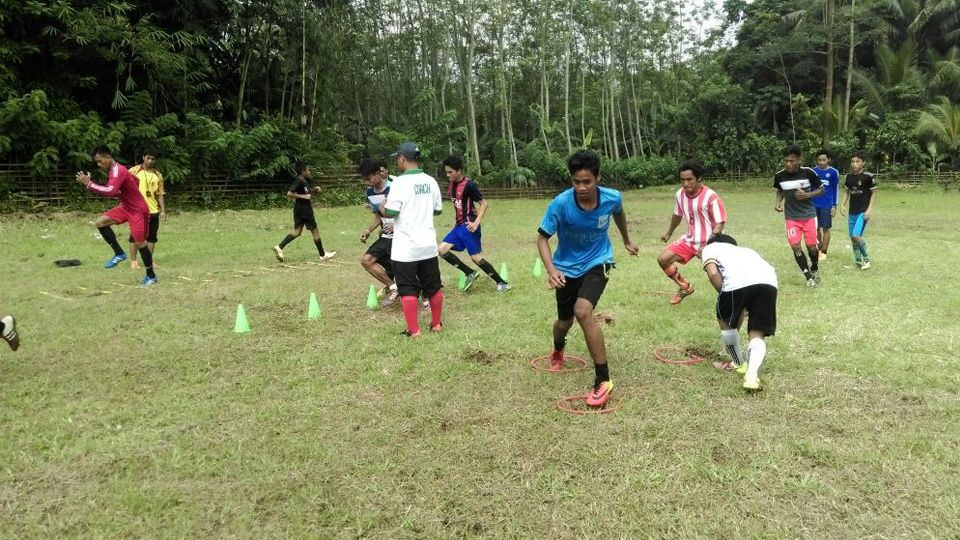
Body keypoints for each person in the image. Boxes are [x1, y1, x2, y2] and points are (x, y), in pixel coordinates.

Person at [536, 150, 639, 408]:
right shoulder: (560, 204)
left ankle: (603, 380)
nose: (581, 187)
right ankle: (558, 349)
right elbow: (541, 238)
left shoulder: (612, 197)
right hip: (566, 268)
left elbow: (619, 212)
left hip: (598, 260)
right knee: (564, 321)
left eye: (587, 182)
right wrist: (551, 270)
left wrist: (626, 240)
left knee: (583, 312)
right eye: (576, 182)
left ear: (597, 178)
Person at [381, 142, 444, 337]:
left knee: (407, 288)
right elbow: (438, 210)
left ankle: (414, 330)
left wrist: (382, 206)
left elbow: (391, 211)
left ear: (402, 158)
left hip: (406, 247)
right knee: (433, 286)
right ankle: (436, 324)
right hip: (428, 245)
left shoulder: (399, 183)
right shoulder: (431, 181)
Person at [701, 234, 778, 391]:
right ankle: (751, 376)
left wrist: (726, 300)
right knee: (757, 333)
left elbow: (713, 273)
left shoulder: (710, 247)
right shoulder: (747, 251)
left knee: (725, 321)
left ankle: (738, 364)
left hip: (736, 284)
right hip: (768, 281)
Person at [75, 145, 158, 286]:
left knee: (140, 243)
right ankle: (119, 253)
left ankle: (151, 276)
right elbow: (134, 181)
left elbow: (111, 191)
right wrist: (126, 193)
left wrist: (89, 184)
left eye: (100, 161)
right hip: (126, 207)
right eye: (97, 162)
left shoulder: (117, 170)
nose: (99, 165)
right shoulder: (115, 170)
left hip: (138, 210)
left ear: (108, 157)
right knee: (100, 222)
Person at [436, 156, 512, 293]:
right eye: (446, 172)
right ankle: (470, 273)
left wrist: (476, 223)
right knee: (441, 250)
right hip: (459, 226)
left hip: (469, 226)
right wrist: (455, 221)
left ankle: (502, 283)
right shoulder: (452, 185)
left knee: (475, 257)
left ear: (459, 171)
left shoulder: (469, 185)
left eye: (450, 172)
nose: (448, 175)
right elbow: (458, 206)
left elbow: (484, 203)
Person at [657, 159, 726, 305]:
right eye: (682, 180)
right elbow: (677, 215)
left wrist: (707, 245)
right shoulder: (679, 195)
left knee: (715, 274)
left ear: (699, 178)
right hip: (690, 240)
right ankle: (684, 287)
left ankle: (734, 301)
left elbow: (719, 224)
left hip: (711, 242)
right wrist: (669, 232)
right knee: (663, 259)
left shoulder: (710, 196)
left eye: (690, 180)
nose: (685, 184)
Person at [773, 144, 824, 287]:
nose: (788, 164)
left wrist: (808, 194)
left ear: (799, 160)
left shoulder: (808, 173)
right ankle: (808, 277)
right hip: (791, 217)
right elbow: (780, 190)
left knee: (812, 247)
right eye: (786, 161)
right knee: (795, 245)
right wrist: (778, 202)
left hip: (809, 215)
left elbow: (821, 190)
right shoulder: (779, 176)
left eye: (792, 160)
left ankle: (814, 267)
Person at [272, 160, 335, 262]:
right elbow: (289, 193)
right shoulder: (299, 180)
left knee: (297, 232)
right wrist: (303, 196)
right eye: (308, 170)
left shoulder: (303, 181)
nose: (309, 171)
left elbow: (306, 192)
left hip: (299, 210)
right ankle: (323, 255)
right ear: (303, 171)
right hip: (305, 210)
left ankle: (279, 247)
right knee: (315, 230)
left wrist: (314, 190)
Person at [358, 158, 397, 305]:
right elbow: (378, 215)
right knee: (366, 261)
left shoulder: (395, 188)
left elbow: (408, 211)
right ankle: (394, 287)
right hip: (386, 237)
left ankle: (426, 293)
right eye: (365, 180)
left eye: (369, 178)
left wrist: (397, 226)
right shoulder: (370, 192)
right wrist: (368, 230)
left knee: (402, 268)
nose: (368, 182)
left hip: (402, 236)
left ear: (378, 174)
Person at [127, 148, 166, 270]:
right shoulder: (133, 171)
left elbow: (160, 193)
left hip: (153, 210)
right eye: (148, 158)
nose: (150, 161)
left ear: (156, 160)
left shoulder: (158, 175)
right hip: (137, 210)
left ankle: (149, 261)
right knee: (135, 236)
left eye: (153, 159)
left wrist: (163, 210)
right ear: (143, 157)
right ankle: (134, 262)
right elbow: (125, 188)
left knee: (151, 237)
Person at [839, 151, 877, 269]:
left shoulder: (868, 177)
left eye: (857, 162)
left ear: (863, 163)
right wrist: (842, 204)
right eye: (853, 162)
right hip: (852, 212)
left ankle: (866, 260)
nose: (854, 164)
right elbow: (846, 192)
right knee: (852, 237)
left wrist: (869, 209)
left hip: (863, 211)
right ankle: (858, 262)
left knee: (856, 235)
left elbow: (874, 192)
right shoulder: (849, 177)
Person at [811, 149, 840, 261]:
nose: (822, 162)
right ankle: (819, 247)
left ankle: (824, 251)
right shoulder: (812, 171)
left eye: (824, 160)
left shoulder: (833, 172)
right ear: (816, 160)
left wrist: (834, 206)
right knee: (816, 228)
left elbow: (835, 189)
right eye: (819, 160)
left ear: (829, 160)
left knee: (826, 228)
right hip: (814, 204)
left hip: (827, 204)